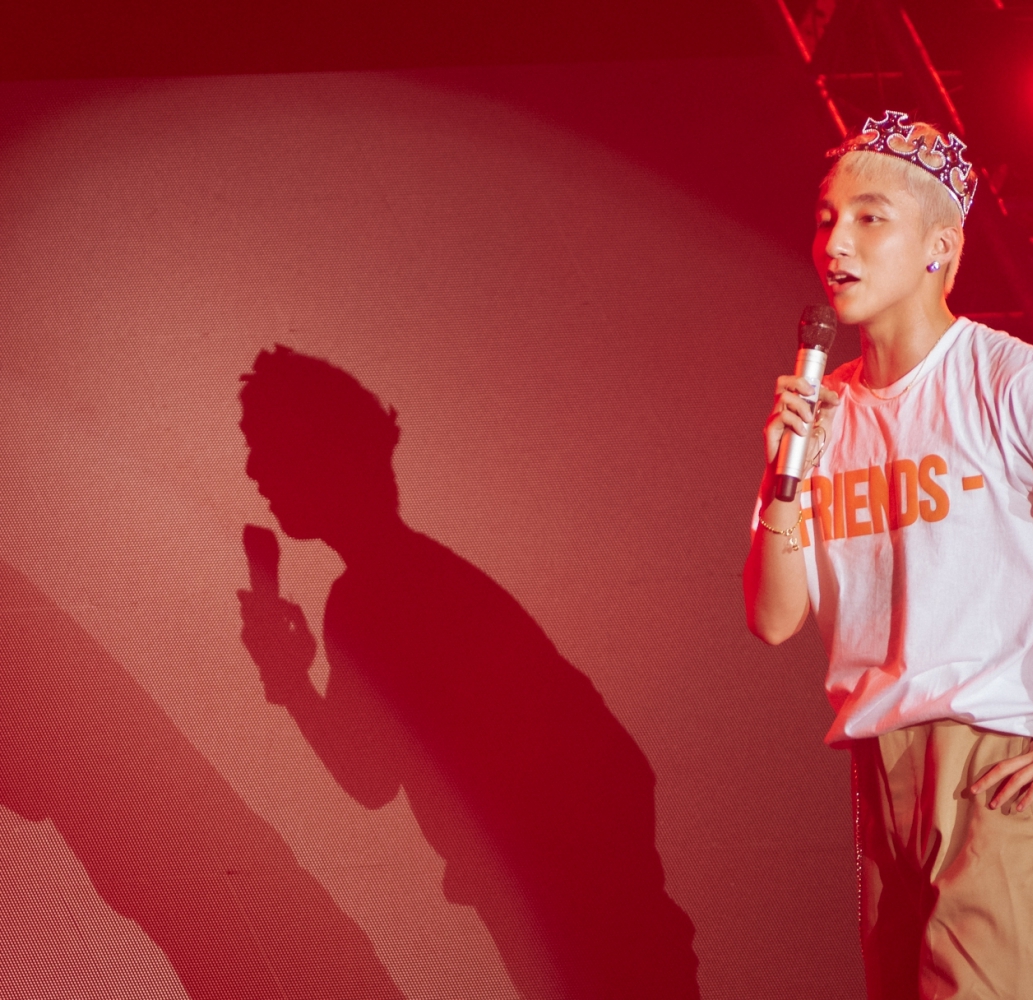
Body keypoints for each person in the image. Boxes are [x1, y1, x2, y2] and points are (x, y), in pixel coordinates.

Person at [743, 112, 1033, 1000]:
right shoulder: (823, 414)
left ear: (939, 247)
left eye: (869, 218)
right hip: (880, 765)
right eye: (826, 219)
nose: (836, 243)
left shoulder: (1013, 380)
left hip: (998, 754)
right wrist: (781, 478)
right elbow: (773, 618)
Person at [237, 345, 699, 1000]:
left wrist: (291, 684)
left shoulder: (375, 596)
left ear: (325, 453)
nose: (255, 471)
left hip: (568, 899)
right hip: (578, 893)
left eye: (270, 447)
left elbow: (368, 779)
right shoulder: (406, 580)